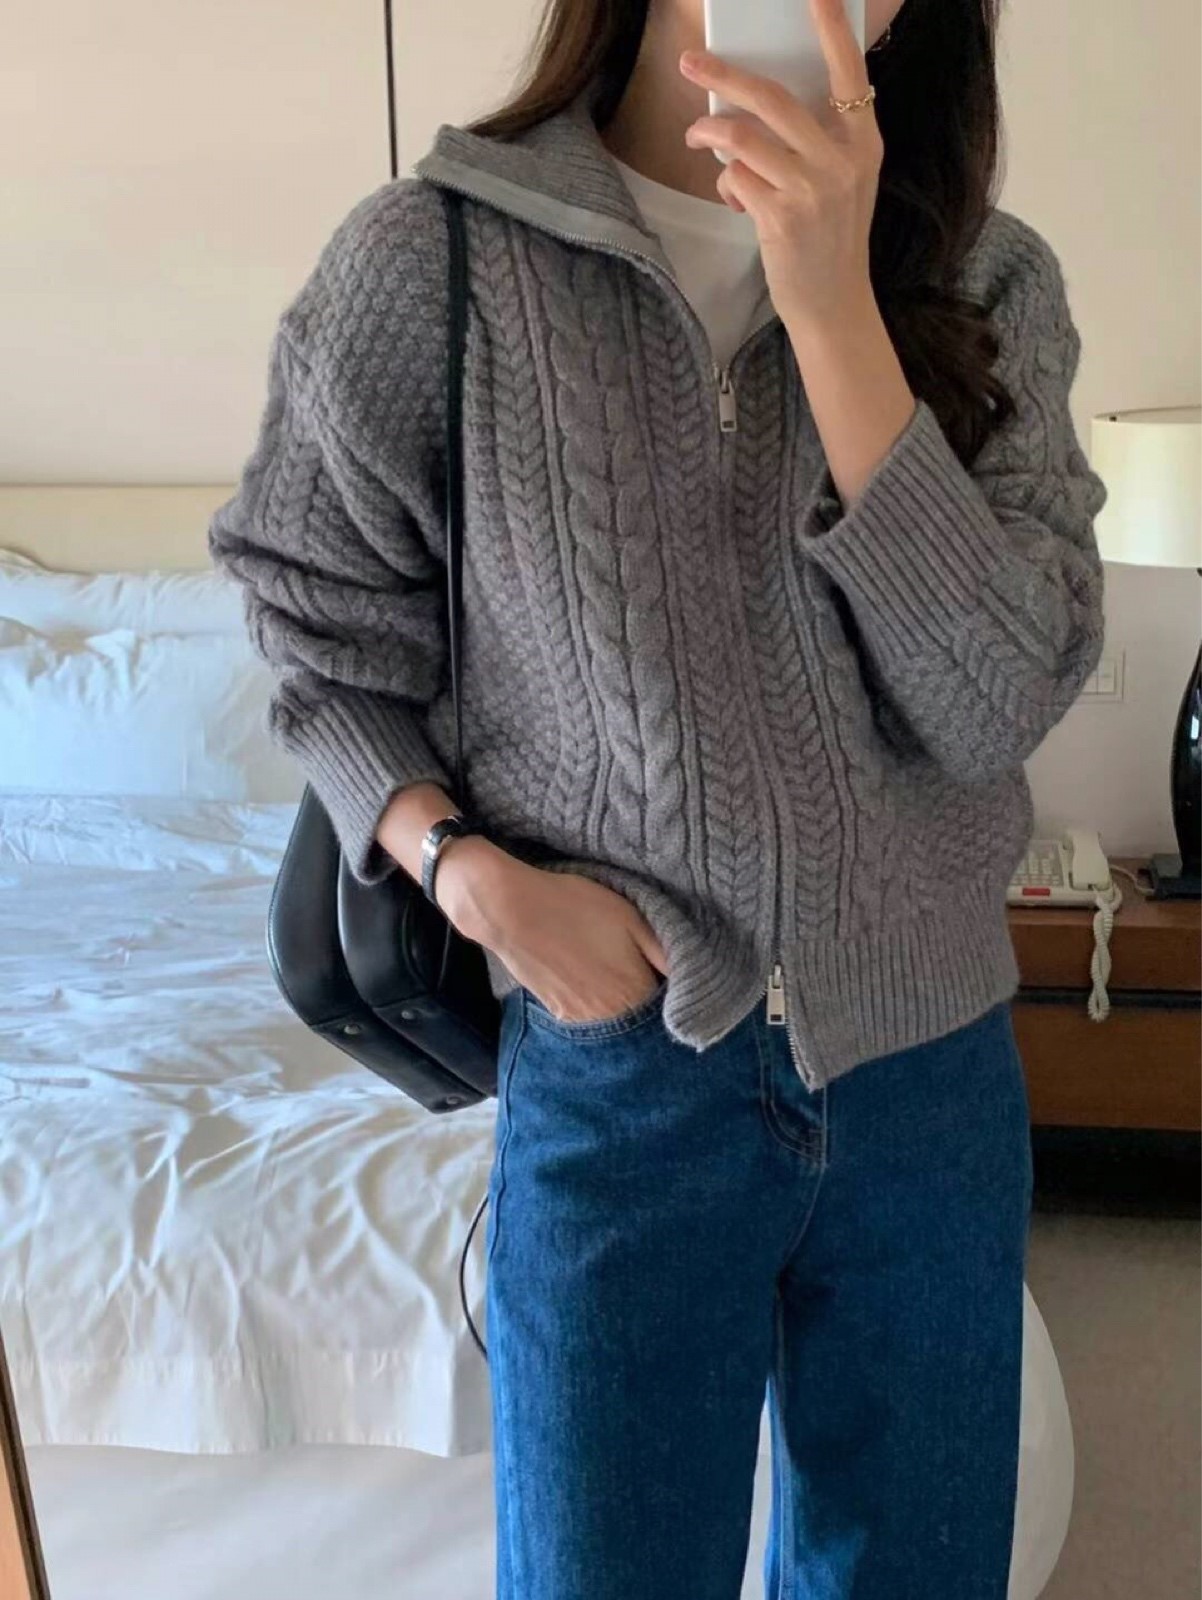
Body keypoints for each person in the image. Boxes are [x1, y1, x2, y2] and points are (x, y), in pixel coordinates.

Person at [209, 0, 1107, 1592]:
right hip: (620, 1075)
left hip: (926, 1076)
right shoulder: (433, 262)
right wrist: (465, 871)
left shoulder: (984, 279)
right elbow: (315, 631)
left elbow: (991, 704)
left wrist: (832, 309)